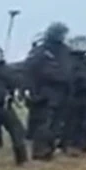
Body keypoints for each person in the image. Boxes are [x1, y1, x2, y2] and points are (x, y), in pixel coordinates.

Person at [25, 22, 73, 160]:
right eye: (61, 34)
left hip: (63, 91)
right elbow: (29, 71)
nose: (63, 37)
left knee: (57, 124)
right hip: (45, 92)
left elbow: (70, 69)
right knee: (44, 124)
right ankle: (40, 152)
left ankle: (50, 149)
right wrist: (31, 91)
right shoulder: (40, 51)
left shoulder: (65, 50)